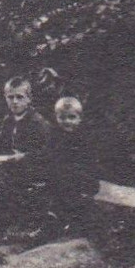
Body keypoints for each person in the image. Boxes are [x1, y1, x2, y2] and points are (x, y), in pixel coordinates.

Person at [0, 76, 54, 233]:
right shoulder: (8, 120)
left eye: (19, 97)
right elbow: (0, 144)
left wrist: (24, 156)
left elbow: (47, 152)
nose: (14, 102)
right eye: (10, 97)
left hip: (35, 166)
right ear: (5, 98)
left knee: (3, 173)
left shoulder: (37, 122)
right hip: (14, 164)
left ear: (29, 99)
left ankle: (23, 221)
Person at [49, 96, 100, 233]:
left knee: (72, 189)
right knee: (57, 183)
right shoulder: (55, 136)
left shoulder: (83, 138)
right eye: (62, 117)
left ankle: (78, 222)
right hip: (64, 176)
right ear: (56, 117)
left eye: (71, 117)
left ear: (80, 118)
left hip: (83, 178)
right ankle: (59, 220)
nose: (67, 121)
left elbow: (90, 162)